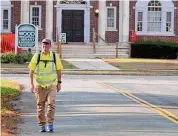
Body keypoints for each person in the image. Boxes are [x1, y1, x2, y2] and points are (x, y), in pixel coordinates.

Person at [28, 38, 63, 132]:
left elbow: (59, 70)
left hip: (51, 84)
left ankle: (50, 123)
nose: (45, 46)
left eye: (46, 45)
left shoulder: (55, 56)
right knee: (40, 105)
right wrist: (31, 84)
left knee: (51, 103)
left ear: (50, 46)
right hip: (39, 85)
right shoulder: (37, 56)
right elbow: (31, 71)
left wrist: (59, 83)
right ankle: (42, 125)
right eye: (43, 45)